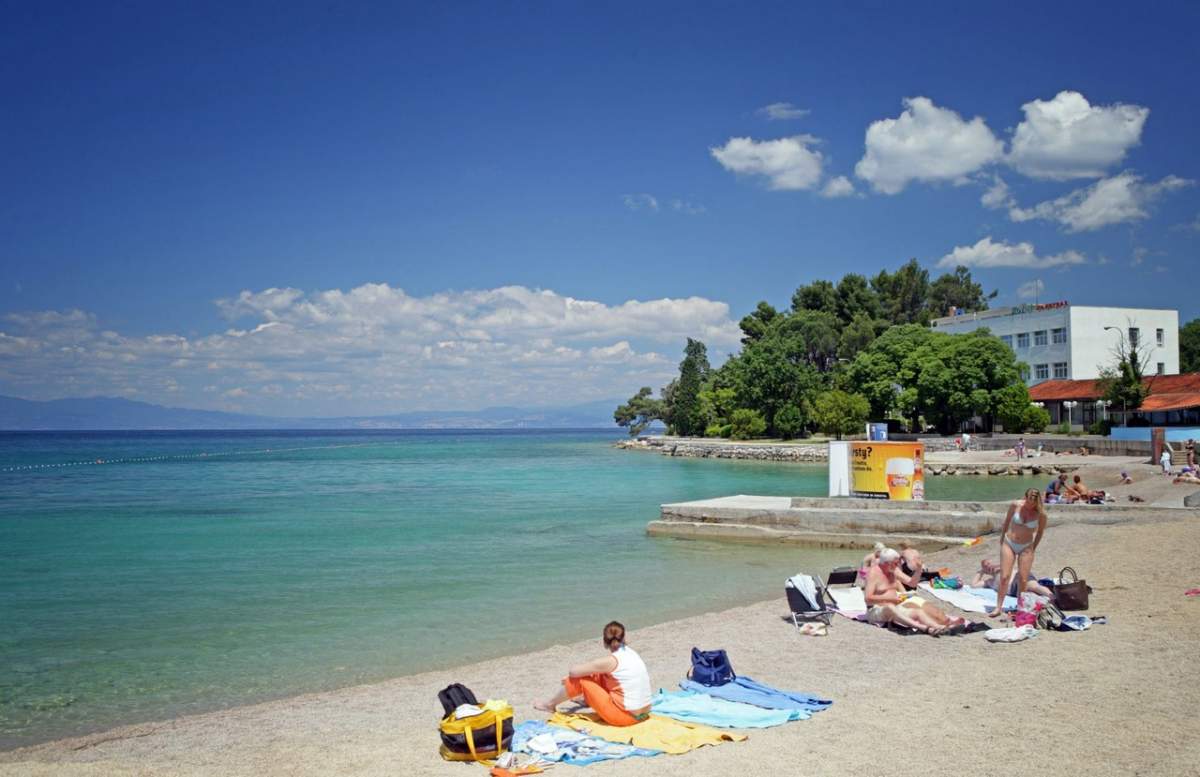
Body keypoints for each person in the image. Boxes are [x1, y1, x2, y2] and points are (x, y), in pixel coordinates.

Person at [535, 621, 651, 726]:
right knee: (601, 674)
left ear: (605, 642)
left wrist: (570, 678)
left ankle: (549, 705)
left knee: (579, 680)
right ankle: (586, 699)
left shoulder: (611, 661)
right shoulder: (632, 654)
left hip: (625, 718)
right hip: (644, 714)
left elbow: (573, 672)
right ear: (625, 638)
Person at [864, 549, 965, 636]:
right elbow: (868, 599)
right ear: (886, 563)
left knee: (918, 607)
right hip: (877, 610)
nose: (897, 566)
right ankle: (926, 627)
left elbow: (912, 583)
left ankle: (944, 625)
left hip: (897, 603)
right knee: (890, 607)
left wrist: (919, 569)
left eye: (897, 563)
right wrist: (891, 599)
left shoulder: (893, 570)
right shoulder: (874, 574)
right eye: (895, 563)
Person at [989, 488, 1047, 618]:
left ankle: (1020, 607)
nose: (1030, 504)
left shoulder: (1041, 514)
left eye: (1033, 502)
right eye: (1028, 500)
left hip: (1026, 546)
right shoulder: (1016, 505)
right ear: (1025, 497)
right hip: (1009, 543)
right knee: (1004, 577)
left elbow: (1040, 532)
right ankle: (998, 607)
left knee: (1023, 579)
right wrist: (1002, 537)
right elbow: (1007, 521)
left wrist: (1034, 547)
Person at [972, 558, 1054, 599]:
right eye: (985, 567)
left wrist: (998, 566)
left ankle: (1053, 597)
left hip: (1018, 577)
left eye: (989, 563)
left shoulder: (1004, 567)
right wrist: (981, 571)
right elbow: (974, 585)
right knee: (1031, 597)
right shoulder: (990, 582)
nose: (988, 566)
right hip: (1013, 591)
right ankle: (1050, 601)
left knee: (1034, 587)